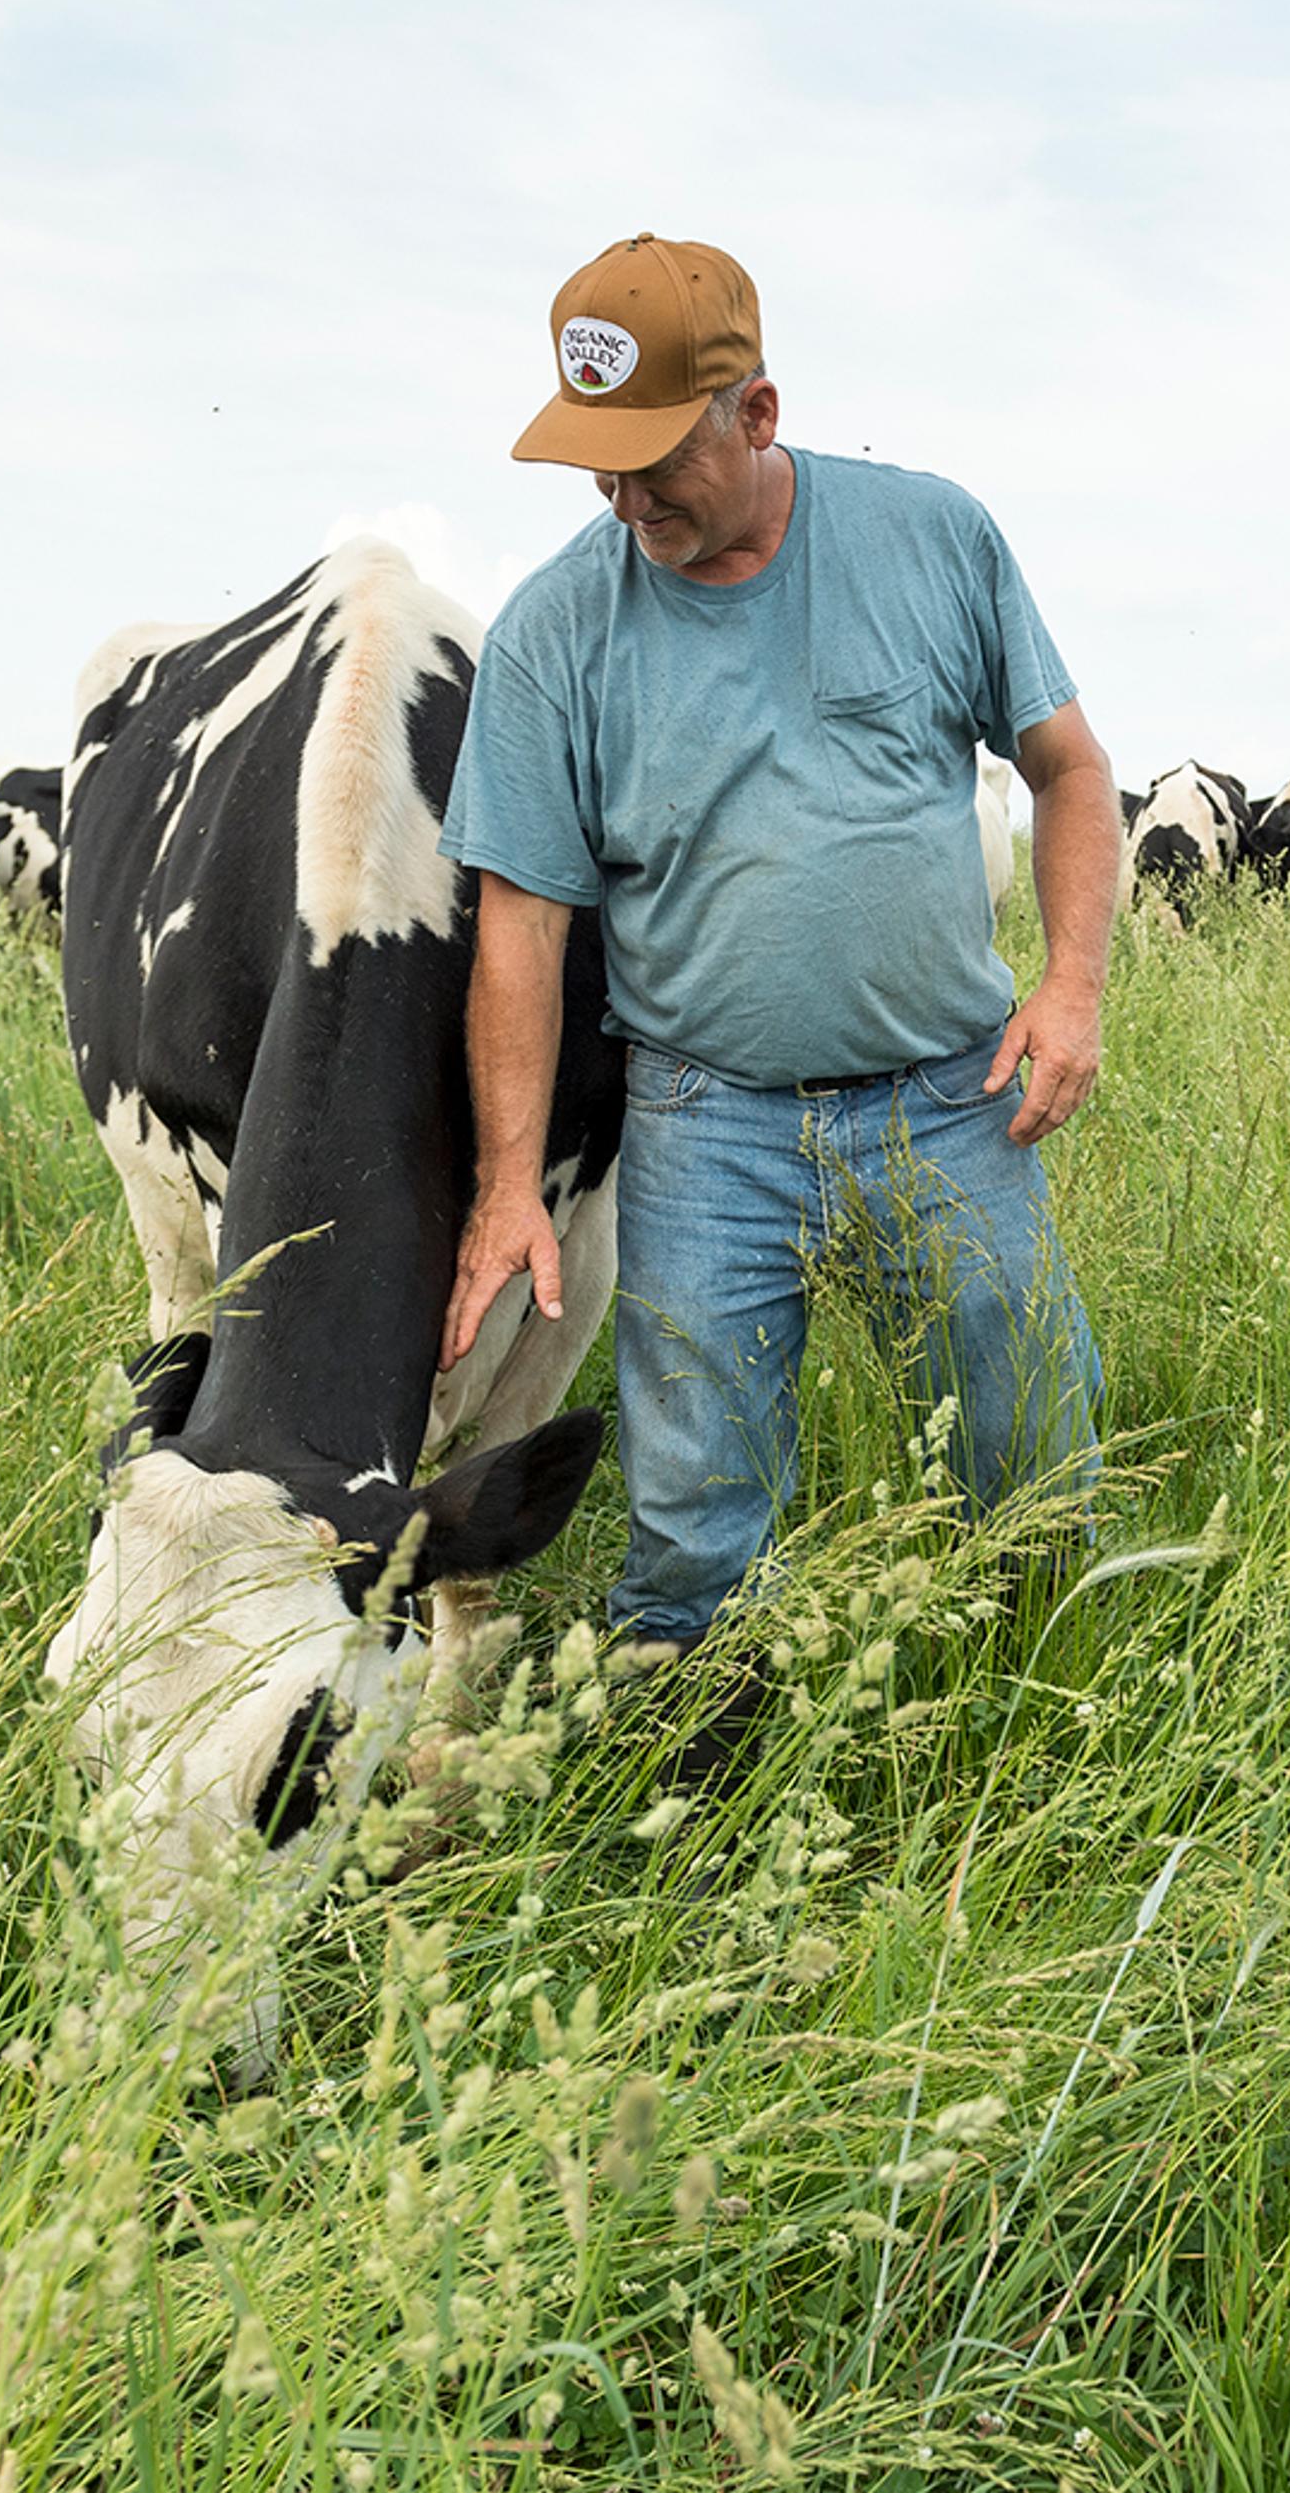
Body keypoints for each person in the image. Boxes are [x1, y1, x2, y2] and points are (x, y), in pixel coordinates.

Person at [436, 231, 1120, 1688]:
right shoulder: (557, 632)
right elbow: (522, 922)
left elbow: (1069, 770)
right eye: (595, 470)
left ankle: (1053, 1706)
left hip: (950, 1097)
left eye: (654, 460)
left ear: (757, 413)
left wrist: (1071, 989)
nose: (625, 502)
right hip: (705, 1118)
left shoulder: (935, 540)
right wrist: (508, 1185)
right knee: (688, 1518)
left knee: (1033, 1459)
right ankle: (695, 1760)